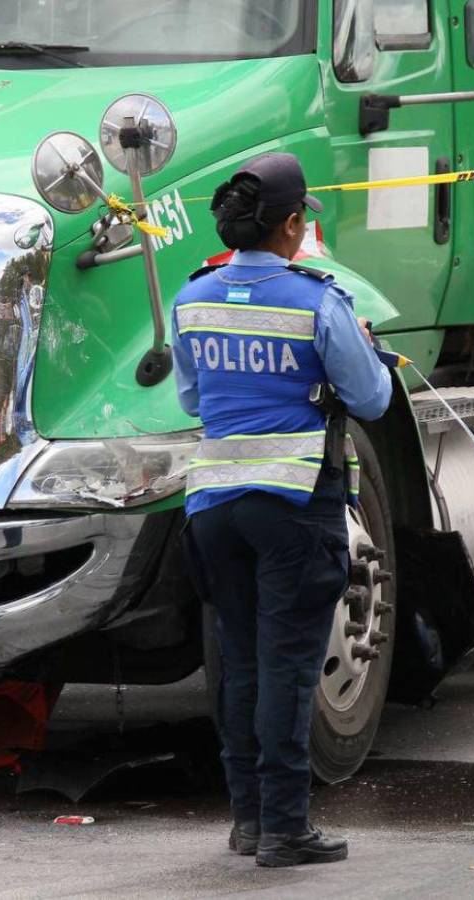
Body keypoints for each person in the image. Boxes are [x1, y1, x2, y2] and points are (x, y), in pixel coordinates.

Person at [171, 153, 392, 868]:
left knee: (239, 664)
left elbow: (192, 400)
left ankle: (247, 822)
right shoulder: (319, 301)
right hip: (293, 503)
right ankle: (287, 829)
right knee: (290, 667)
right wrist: (369, 355)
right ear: (293, 223)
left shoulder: (193, 296)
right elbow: (373, 400)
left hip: (212, 505)